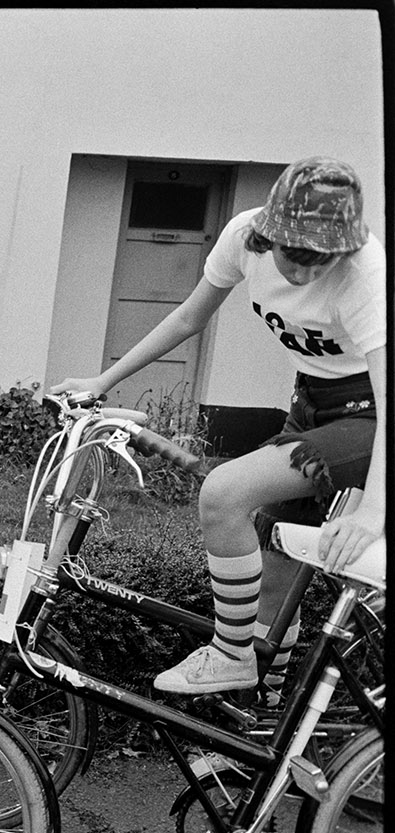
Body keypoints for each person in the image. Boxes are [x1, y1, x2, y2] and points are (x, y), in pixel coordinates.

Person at [49, 156, 386, 696]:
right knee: (272, 590)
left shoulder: (367, 272)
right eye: (291, 257)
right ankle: (262, 732)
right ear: (267, 233)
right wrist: (101, 380)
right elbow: (189, 317)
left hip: (370, 414)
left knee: (224, 493)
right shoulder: (240, 237)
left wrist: (373, 510)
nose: (301, 274)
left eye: (318, 263)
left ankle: (229, 657)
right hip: (311, 403)